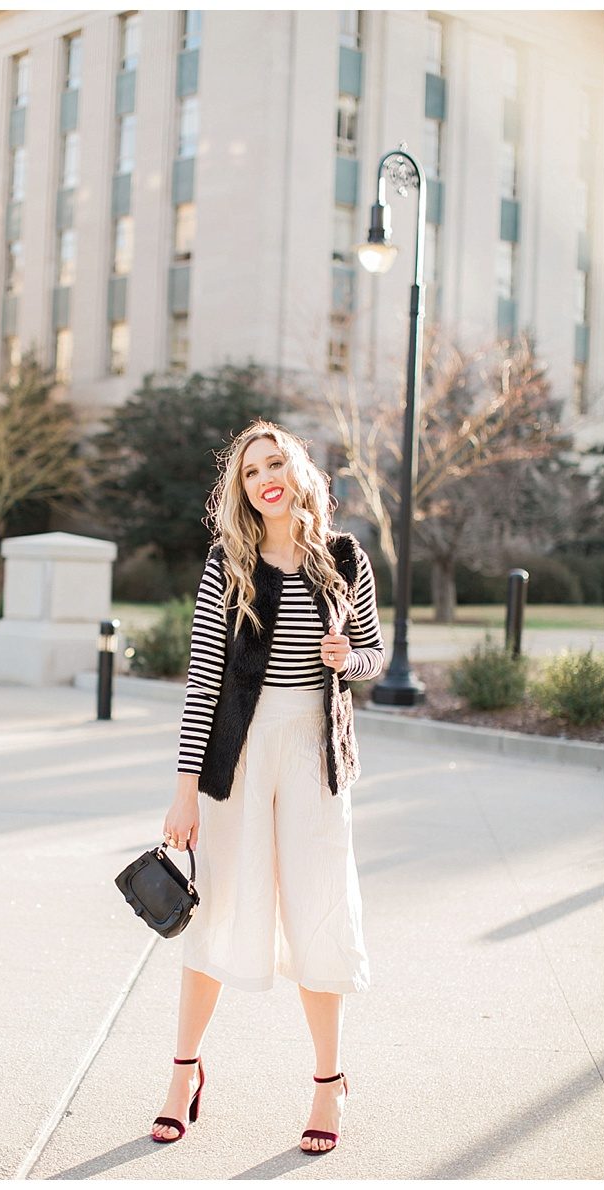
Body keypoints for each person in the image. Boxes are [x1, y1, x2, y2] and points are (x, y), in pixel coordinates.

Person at [150, 419, 386, 1153]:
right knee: (219, 907)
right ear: (241, 489)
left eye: (274, 462)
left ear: (299, 471)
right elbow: (202, 683)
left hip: (316, 760)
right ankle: (184, 1074)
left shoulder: (345, 559)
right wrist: (185, 788)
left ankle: (327, 1084)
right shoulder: (228, 563)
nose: (264, 478)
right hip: (239, 758)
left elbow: (375, 656)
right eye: (250, 471)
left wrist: (348, 657)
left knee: (319, 912)